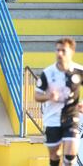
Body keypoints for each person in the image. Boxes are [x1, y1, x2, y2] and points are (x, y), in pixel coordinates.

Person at [35, 38, 83, 166]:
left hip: (71, 117)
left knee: (70, 155)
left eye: (63, 51)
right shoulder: (48, 73)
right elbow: (37, 96)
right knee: (54, 156)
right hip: (52, 118)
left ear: (72, 52)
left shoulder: (79, 71)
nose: (59, 53)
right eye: (57, 50)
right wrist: (48, 96)